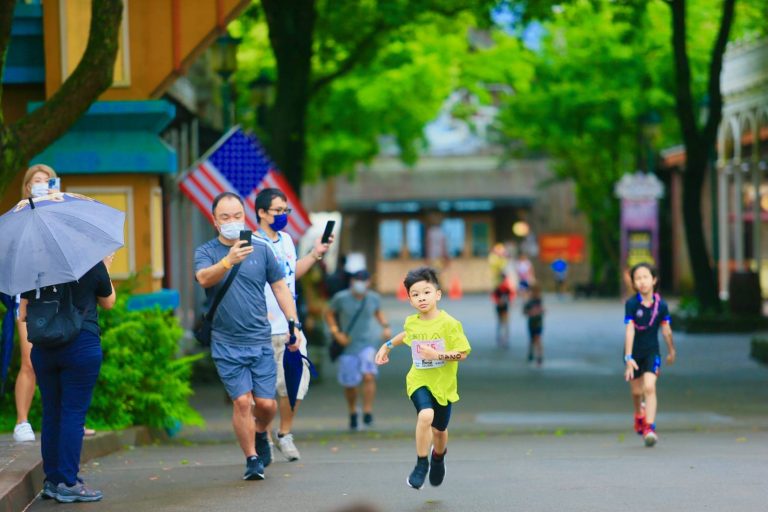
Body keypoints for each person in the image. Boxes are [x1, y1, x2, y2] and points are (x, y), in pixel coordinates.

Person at [194, 192, 300, 480]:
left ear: (246, 217)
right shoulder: (206, 252)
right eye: (225, 217)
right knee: (242, 402)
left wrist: (294, 324)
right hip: (226, 342)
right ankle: (252, 458)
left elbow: (280, 288)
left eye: (237, 215)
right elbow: (203, 278)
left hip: (259, 339)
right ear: (215, 222)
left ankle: (261, 431)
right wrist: (228, 261)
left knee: (265, 405)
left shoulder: (262, 249)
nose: (232, 221)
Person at [19, 255, 116, 503]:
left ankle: (52, 481)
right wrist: (106, 268)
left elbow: (22, 314)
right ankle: (69, 482)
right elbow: (109, 302)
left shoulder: (34, 265)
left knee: (51, 412)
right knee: (73, 413)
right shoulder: (90, 263)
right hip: (81, 345)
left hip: (44, 348)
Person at [253, 188, 333, 462]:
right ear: (262, 213)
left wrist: (315, 254)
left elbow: (290, 274)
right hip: (261, 329)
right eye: (278, 211)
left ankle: (284, 434)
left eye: (286, 210)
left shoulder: (286, 240)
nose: (283, 215)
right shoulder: (251, 243)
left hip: (290, 328)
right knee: (263, 393)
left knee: (296, 385)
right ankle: (262, 436)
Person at [374, 267, 471, 490]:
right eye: (415, 294)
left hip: (444, 386)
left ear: (438, 294)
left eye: (426, 292)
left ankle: (438, 457)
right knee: (425, 415)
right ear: (409, 300)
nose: (421, 298)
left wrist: (438, 355)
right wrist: (387, 346)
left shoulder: (450, 324)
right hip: (418, 380)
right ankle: (421, 464)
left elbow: (462, 353)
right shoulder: (412, 322)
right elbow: (407, 335)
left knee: (439, 431)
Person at [13, 164, 59, 443]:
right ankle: (22, 421)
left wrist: (56, 205)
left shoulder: (58, 212)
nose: (41, 184)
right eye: (36, 181)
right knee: (29, 359)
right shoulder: (19, 215)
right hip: (28, 292)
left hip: (57, 294)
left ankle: (66, 419)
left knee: (61, 359)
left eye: (46, 180)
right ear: (28, 186)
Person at [325, 269, 391, 431]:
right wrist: (335, 332)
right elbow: (329, 313)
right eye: (357, 280)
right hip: (347, 346)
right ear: (352, 282)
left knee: (369, 375)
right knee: (350, 384)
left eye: (363, 280)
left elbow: (378, 312)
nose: (360, 284)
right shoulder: (341, 298)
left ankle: (367, 411)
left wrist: (385, 326)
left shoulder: (373, 298)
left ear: (368, 282)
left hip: (366, 343)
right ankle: (353, 411)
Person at [623, 262, 676, 447]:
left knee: (650, 387)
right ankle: (639, 414)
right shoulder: (631, 304)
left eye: (646, 277)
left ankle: (649, 427)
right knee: (637, 391)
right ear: (634, 283)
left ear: (654, 280)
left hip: (652, 352)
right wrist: (628, 357)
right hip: (634, 353)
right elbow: (629, 330)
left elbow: (666, 330)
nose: (642, 281)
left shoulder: (662, 305)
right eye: (638, 278)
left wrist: (671, 350)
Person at [491, 273, 515, 349]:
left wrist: (509, 301)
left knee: (505, 323)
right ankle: (499, 339)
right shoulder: (497, 289)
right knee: (500, 323)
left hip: (505, 307)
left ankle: (505, 340)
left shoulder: (506, 288)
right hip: (499, 307)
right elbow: (493, 297)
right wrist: (498, 302)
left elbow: (511, 295)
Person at [522, 282, 544, 366]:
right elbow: (524, 312)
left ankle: (539, 356)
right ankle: (531, 353)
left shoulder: (539, 300)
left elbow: (542, 310)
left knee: (538, 339)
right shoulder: (529, 302)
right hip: (531, 322)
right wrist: (530, 312)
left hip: (538, 322)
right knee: (532, 339)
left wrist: (539, 311)